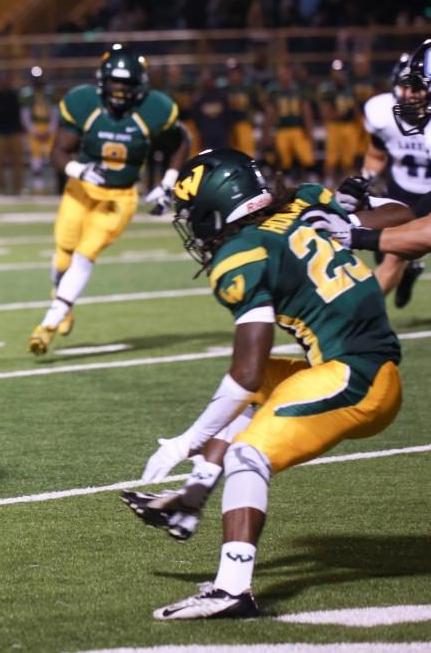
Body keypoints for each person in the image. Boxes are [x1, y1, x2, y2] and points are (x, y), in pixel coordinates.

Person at [124, 148, 404, 620]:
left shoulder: (244, 254)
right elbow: (403, 213)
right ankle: (190, 502)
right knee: (252, 397)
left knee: (246, 451)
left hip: (357, 377)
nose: (194, 225)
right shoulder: (306, 202)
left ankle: (232, 589)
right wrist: (352, 219)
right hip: (360, 367)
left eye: (195, 213)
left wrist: (186, 441)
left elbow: (246, 372)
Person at [28, 44, 190, 355]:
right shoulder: (83, 103)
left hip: (120, 197)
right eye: (115, 82)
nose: (120, 90)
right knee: (63, 253)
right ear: (102, 80)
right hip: (80, 190)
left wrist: (169, 183)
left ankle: (50, 320)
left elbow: (181, 141)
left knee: (84, 255)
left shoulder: (153, 110)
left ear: (140, 86)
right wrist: (80, 169)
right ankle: (61, 300)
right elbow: (57, 152)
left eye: (127, 84)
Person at [357, 44, 431, 308]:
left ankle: (357, 322)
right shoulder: (382, 113)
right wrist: (363, 182)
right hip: (400, 191)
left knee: (394, 254)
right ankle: (408, 271)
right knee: (387, 252)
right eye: (406, 86)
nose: (411, 95)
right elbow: (377, 155)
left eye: (419, 86)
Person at [263, 64, 316, 182]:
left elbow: (306, 111)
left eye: (286, 73)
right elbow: (270, 112)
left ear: (291, 74)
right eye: (282, 74)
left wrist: (309, 130)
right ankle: (286, 180)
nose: (285, 76)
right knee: (284, 158)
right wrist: (267, 131)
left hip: (297, 128)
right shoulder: (274, 91)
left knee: (306, 156)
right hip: (281, 128)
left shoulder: (299, 89)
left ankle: (311, 178)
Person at [317, 59, 359, 186]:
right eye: (336, 72)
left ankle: (346, 182)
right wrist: (338, 115)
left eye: (341, 72)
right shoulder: (328, 89)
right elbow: (325, 111)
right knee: (332, 157)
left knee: (349, 158)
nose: (339, 75)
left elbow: (356, 108)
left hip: (350, 125)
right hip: (335, 126)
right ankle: (329, 182)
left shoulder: (350, 88)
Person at [0, 72, 25, 195]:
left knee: (17, 162)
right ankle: (0, 188)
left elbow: (22, 114)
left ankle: (18, 188)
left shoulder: (16, 95)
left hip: (15, 132)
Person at [20, 66, 59, 194]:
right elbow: (25, 115)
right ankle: (38, 188)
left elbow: (55, 112)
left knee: (52, 158)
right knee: (35, 160)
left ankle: (55, 186)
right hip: (35, 127)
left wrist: (51, 129)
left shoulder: (50, 93)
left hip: (48, 127)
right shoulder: (27, 94)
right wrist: (33, 131)